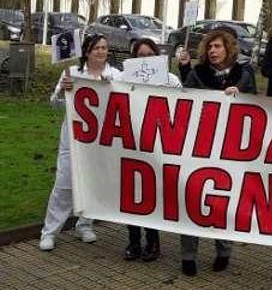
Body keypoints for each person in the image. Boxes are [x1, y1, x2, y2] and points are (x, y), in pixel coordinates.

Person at [179, 29, 256, 276]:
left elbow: (256, 107)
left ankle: (224, 251)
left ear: (228, 49)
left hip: (230, 148)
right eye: (209, 46)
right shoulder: (197, 73)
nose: (213, 51)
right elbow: (184, 100)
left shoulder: (243, 74)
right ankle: (188, 256)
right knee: (192, 198)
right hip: (199, 146)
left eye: (218, 47)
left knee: (223, 200)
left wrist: (240, 95)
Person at [39, 34, 123, 251]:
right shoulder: (72, 73)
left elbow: (126, 103)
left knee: (94, 183)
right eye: (96, 48)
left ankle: (84, 224)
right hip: (74, 139)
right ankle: (49, 232)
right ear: (87, 51)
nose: (101, 52)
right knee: (64, 185)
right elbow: (55, 104)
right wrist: (63, 92)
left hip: (101, 140)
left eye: (104, 48)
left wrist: (112, 88)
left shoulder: (115, 74)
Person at [121, 38, 182, 262]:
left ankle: (153, 241)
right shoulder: (123, 78)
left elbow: (182, 107)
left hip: (158, 146)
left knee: (151, 195)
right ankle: (133, 241)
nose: (144, 60)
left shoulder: (170, 80)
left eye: (149, 55)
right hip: (132, 145)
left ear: (156, 56)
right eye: (140, 56)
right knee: (131, 194)